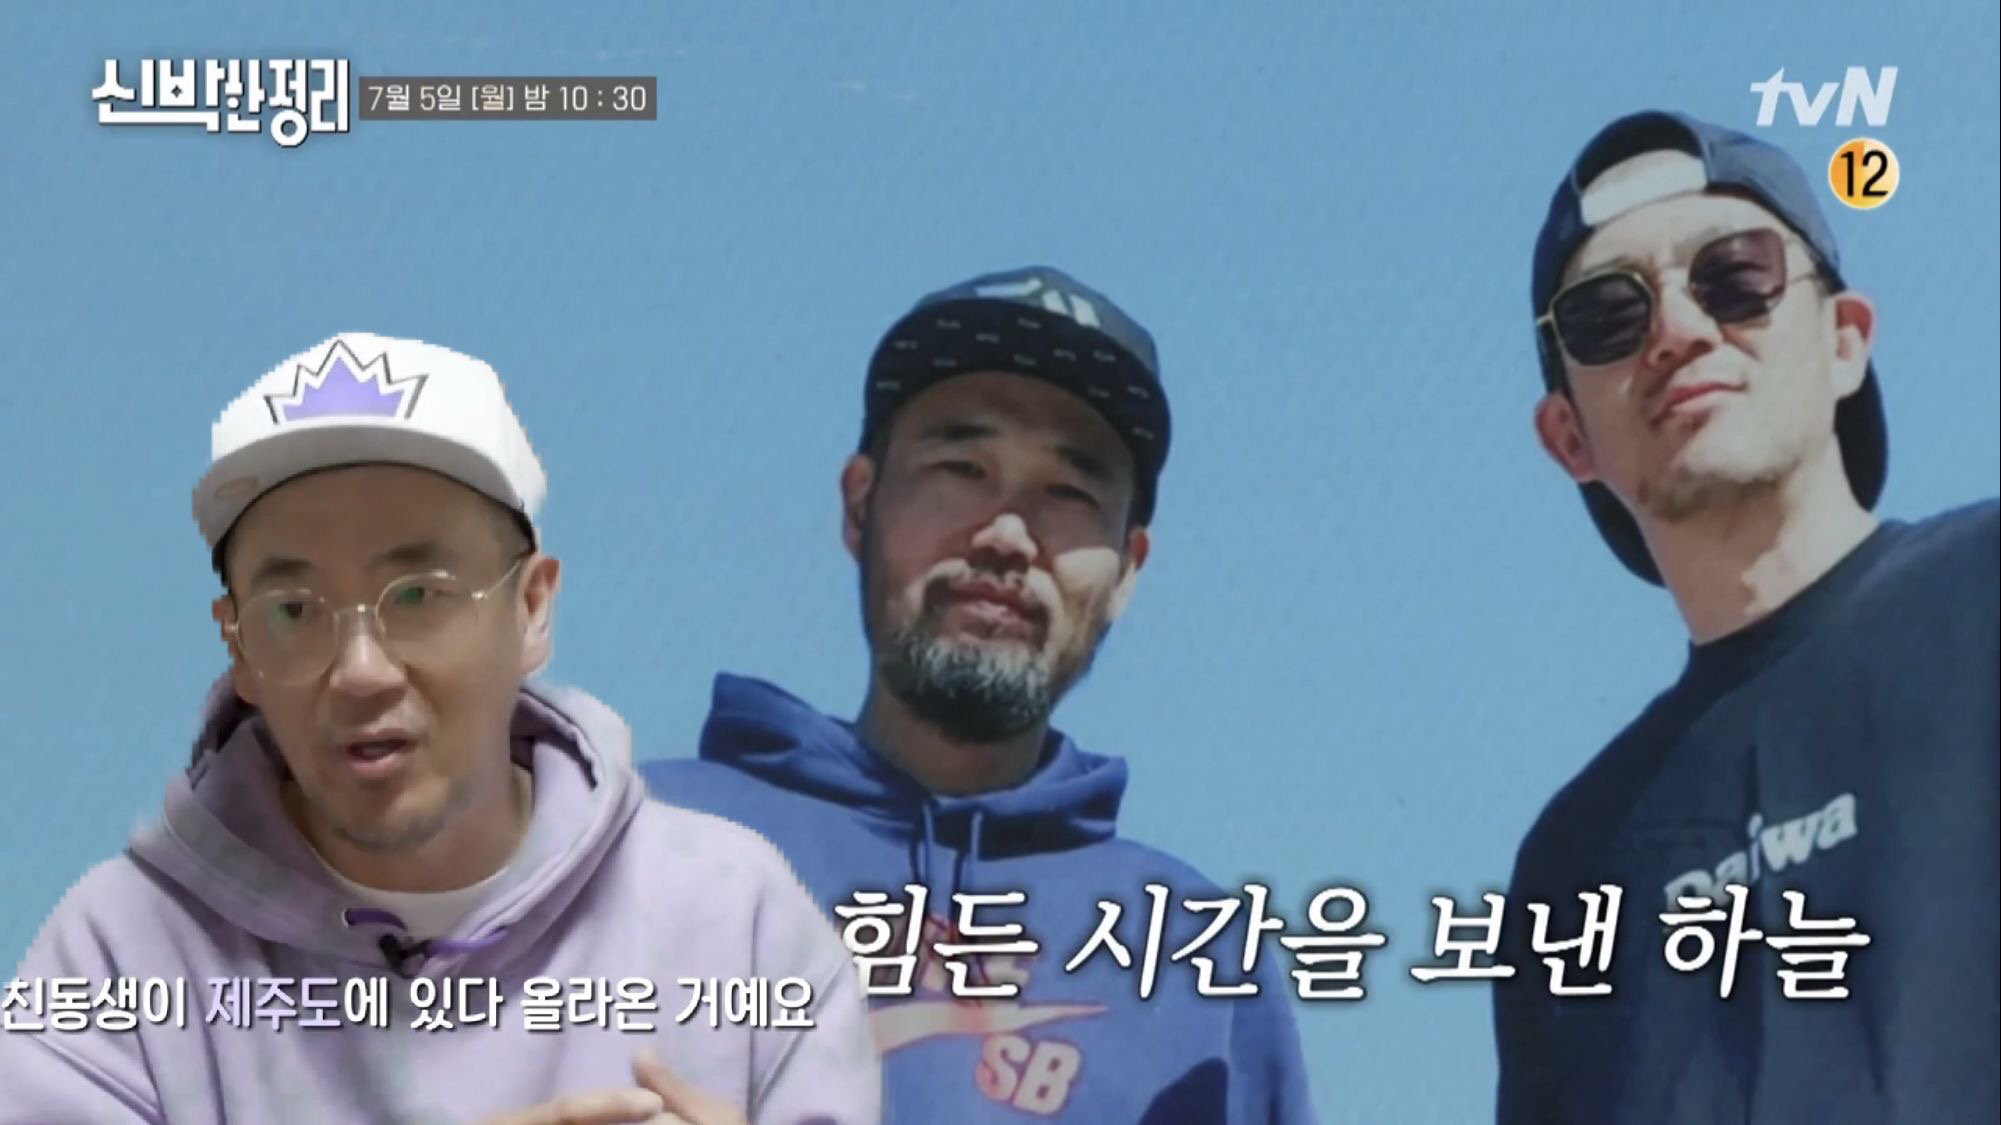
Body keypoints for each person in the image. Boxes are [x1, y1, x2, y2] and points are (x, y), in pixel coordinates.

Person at [0, 333, 881, 1125]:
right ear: (238, 648)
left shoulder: (738, 921)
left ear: (532, 608)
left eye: (418, 595)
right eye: (294, 608)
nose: (361, 669)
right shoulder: (115, 955)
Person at [642, 267, 1318, 1123]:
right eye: (961, 467)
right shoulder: (623, 840)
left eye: (1069, 493)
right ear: (859, 505)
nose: (1006, 534)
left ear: (1126, 569)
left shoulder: (1200, 960)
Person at [1492, 110, 1998, 1124]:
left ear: (1845, 340)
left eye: (1734, 277)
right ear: (1567, 438)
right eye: (1607, 315)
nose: (1678, 331)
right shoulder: (1570, 867)